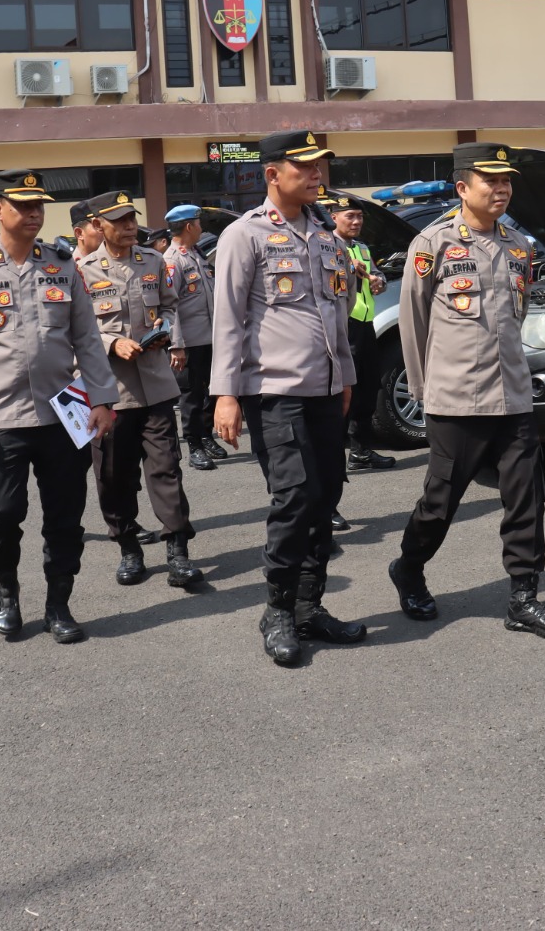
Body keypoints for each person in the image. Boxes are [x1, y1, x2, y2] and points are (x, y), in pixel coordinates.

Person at [389, 143, 545, 640]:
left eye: (506, 181)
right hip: (456, 397)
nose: (501, 189)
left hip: (512, 394)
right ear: (462, 188)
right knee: (440, 501)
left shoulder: (519, 245)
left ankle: (523, 597)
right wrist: (425, 394)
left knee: (526, 497)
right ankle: (409, 567)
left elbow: (518, 316)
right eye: (490, 181)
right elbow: (414, 322)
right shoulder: (432, 244)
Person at [212, 129, 365, 666]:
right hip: (273, 392)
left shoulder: (328, 238)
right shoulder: (244, 235)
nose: (317, 174)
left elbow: (338, 316)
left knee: (325, 497)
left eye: (320, 165)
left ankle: (309, 606)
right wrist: (225, 395)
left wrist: (345, 378)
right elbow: (228, 320)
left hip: (326, 390)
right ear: (272, 174)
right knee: (294, 497)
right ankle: (277, 610)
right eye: (305, 167)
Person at [0, 169, 118, 644]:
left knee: (65, 517)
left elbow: (86, 338)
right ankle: (5, 587)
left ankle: (59, 603)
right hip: (2, 420)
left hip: (64, 416)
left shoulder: (63, 267)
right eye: (23, 205)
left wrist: (102, 400)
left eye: (39, 204)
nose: (33, 213)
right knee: (2, 516)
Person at [77, 191, 203, 589]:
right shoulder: (81, 271)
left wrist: (164, 331)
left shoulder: (153, 261)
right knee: (113, 475)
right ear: (98, 225)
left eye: (132, 218)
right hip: (111, 391)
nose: (131, 226)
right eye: (120, 220)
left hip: (156, 385)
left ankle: (178, 550)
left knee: (166, 467)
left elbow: (169, 305)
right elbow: (75, 331)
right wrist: (113, 342)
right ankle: (129, 547)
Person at [322, 189, 397, 473]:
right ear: (333, 217)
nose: (356, 222)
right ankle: (334, 455)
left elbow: (377, 275)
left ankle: (361, 451)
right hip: (343, 326)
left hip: (366, 324)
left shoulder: (362, 249)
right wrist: (344, 267)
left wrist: (378, 281)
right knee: (344, 391)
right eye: (349, 216)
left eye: (359, 217)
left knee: (367, 389)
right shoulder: (327, 247)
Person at [163, 204, 226, 471]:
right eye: (199, 223)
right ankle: (194, 445)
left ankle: (205, 435)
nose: (202, 228)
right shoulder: (171, 260)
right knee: (191, 395)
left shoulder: (197, 255)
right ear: (189, 226)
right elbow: (170, 306)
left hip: (210, 338)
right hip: (188, 342)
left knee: (211, 391)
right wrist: (176, 346)